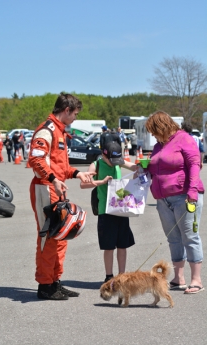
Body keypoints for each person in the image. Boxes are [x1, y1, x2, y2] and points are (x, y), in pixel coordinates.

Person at [28, 93, 95, 301]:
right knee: (49, 237)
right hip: (45, 188)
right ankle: (45, 285)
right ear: (66, 110)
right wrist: (53, 179)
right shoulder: (47, 130)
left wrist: (77, 173)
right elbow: (35, 160)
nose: (75, 118)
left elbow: (61, 167)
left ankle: (55, 281)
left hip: (56, 189)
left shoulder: (60, 131)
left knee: (61, 236)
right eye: (75, 114)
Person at [145, 111, 205, 294]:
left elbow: (195, 164)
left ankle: (197, 280)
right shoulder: (158, 146)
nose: (153, 135)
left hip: (185, 196)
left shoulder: (184, 139)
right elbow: (154, 168)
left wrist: (192, 191)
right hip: (163, 200)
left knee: (190, 237)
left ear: (162, 127)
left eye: (154, 131)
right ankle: (179, 278)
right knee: (173, 239)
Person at [80, 141, 137, 283]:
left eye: (117, 160)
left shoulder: (117, 161)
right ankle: (109, 276)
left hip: (121, 209)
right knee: (109, 246)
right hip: (105, 211)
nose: (114, 163)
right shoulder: (96, 165)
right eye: (111, 160)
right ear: (104, 155)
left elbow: (135, 167)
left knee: (123, 245)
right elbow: (83, 184)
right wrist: (102, 182)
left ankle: (122, 275)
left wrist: (142, 166)